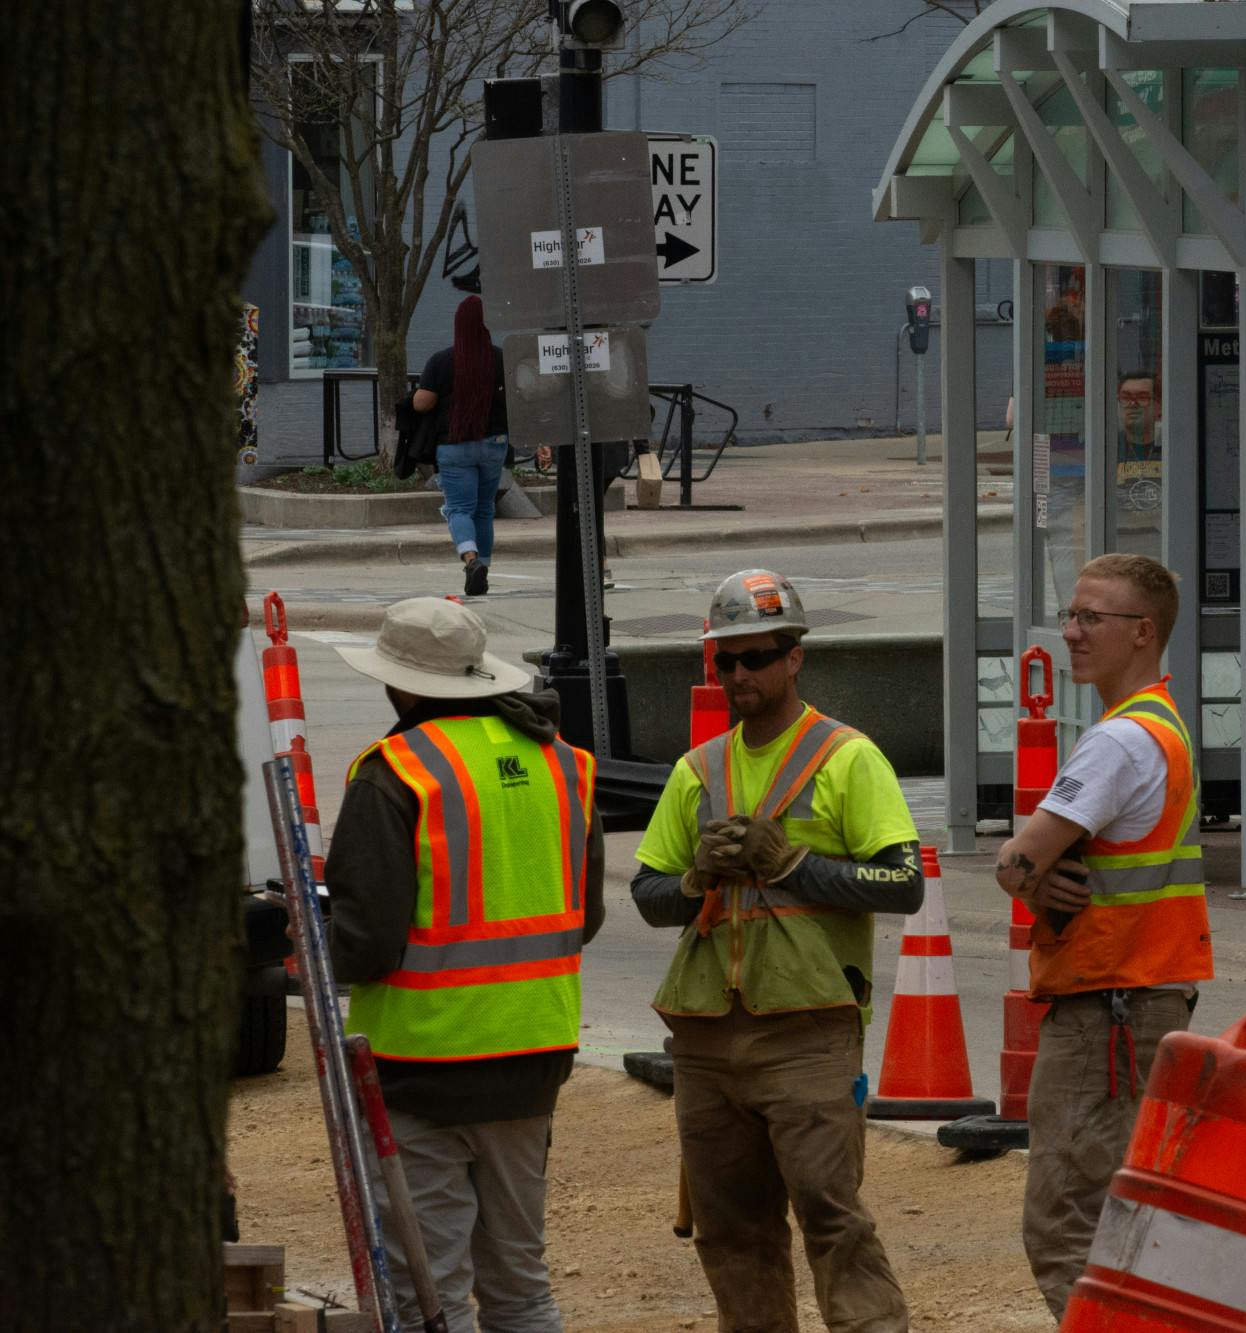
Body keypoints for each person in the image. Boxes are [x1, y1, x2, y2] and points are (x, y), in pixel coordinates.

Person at [632, 569, 920, 1333]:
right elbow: (648, 893)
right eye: (724, 661)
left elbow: (903, 881)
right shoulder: (700, 770)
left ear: (794, 657)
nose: (737, 675)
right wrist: (696, 876)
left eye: (754, 657)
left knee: (832, 1216)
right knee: (731, 1231)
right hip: (707, 1036)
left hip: (809, 1030)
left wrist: (793, 863)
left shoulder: (847, 758)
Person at [325, 596, 604, 1333]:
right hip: (533, 1057)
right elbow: (587, 916)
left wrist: (306, 936)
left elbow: (365, 941)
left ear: (402, 683)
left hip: (422, 1066)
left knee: (428, 1297)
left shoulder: (395, 773)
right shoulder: (564, 765)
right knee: (520, 1287)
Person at [994, 553, 1213, 1319]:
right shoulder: (1164, 726)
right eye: (1072, 614)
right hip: (1144, 1002)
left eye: (1093, 617)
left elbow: (1016, 858)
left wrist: (1022, 872)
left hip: (1107, 1012)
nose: (1072, 632)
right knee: (1126, 1225)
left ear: (1143, 632)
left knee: (1067, 1225)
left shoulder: (1119, 742)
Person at [414, 294, 509, 597]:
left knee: (459, 509)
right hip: (495, 443)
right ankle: (484, 568)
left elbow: (422, 403)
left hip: (455, 445)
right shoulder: (500, 358)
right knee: (484, 509)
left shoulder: (442, 361)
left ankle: (471, 560)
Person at [1113, 369, 1164, 554]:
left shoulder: (1173, 449)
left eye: (1142, 397)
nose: (1132, 404)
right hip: (1119, 548)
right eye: (1125, 397)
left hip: (1164, 545)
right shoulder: (1108, 449)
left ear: (1158, 405)